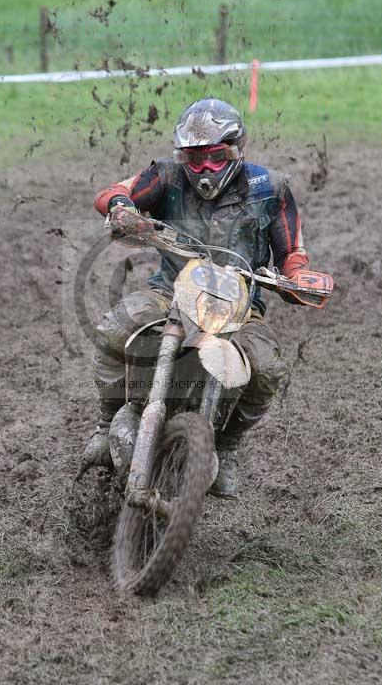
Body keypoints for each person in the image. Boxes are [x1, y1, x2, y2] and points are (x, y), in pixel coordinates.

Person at [81, 97, 323, 499]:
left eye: (215, 157)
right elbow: (112, 193)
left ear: (235, 151)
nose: (205, 169)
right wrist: (124, 209)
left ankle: (226, 449)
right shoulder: (166, 176)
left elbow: (292, 252)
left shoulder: (270, 189)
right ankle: (106, 425)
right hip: (171, 291)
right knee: (112, 330)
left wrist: (297, 278)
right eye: (195, 160)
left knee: (266, 369)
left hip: (241, 306)